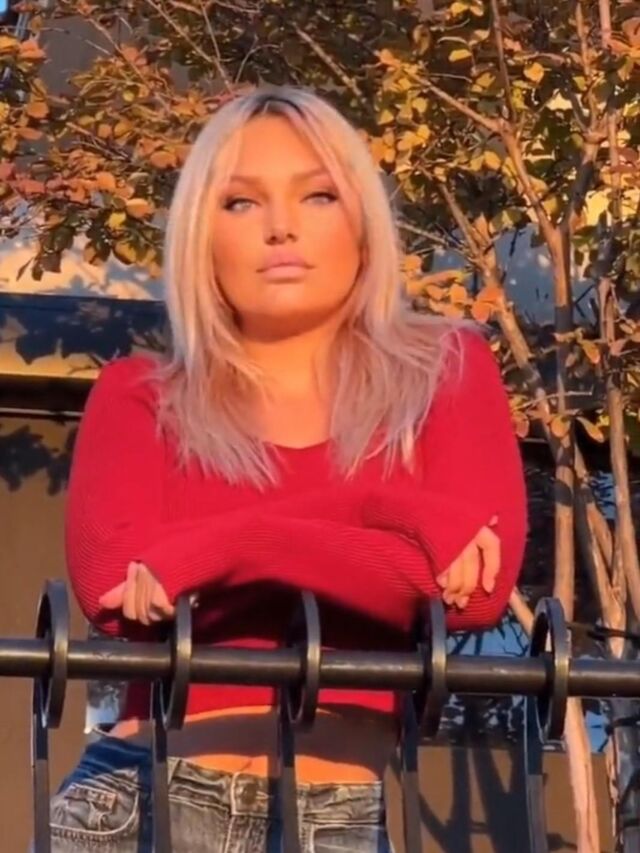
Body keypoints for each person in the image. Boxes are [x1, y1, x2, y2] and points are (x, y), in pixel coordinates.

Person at [50, 83, 527, 852]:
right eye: (240, 203)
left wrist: (228, 551)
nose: (280, 227)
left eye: (318, 195)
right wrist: (397, 523)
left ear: (362, 224)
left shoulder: (446, 373)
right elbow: (116, 589)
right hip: (140, 799)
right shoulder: (141, 397)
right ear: (202, 236)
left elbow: (472, 596)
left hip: (337, 815)